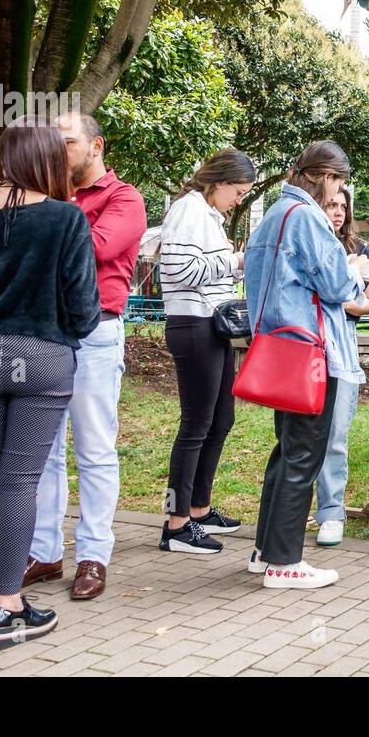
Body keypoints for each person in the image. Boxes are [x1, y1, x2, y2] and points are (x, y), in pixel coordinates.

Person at [0, 117, 100, 649]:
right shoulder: (65, 218)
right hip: (39, 355)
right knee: (18, 482)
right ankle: (10, 608)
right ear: (49, 162)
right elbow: (85, 306)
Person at [25, 112, 146, 599]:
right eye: (52, 142)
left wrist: (41, 229)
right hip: (44, 331)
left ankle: (93, 556)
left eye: (68, 141)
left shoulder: (125, 198)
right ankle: (44, 552)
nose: (58, 150)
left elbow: (95, 248)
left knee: (94, 449)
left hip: (96, 332)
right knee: (44, 451)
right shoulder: (47, 195)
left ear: (96, 146)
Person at [244, 142, 369, 589]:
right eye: (339, 181)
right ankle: (284, 561)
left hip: (278, 347)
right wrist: (356, 268)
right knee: (303, 456)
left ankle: (265, 549)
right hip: (314, 352)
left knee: (286, 452)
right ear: (325, 177)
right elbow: (338, 285)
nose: (340, 190)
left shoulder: (273, 217)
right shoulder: (308, 220)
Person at [157, 149, 254, 555]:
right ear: (218, 181)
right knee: (197, 424)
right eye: (237, 191)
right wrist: (233, 261)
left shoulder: (208, 214)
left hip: (212, 324)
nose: (238, 200)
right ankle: (177, 524)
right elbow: (178, 270)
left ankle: (199, 507)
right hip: (192, 324)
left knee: (221, 419)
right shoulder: (188, 210)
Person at [313, 187, 369, 546]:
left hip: (344, 344)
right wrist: (341, 292)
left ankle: (331, 511)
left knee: (336, 433)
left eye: (342, 206)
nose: (338, 212)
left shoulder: (361, 252)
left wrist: (336, 295)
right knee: (303, 433)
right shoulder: (313, 245)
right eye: (331, 205)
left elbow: (367, 304)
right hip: (311, 341)